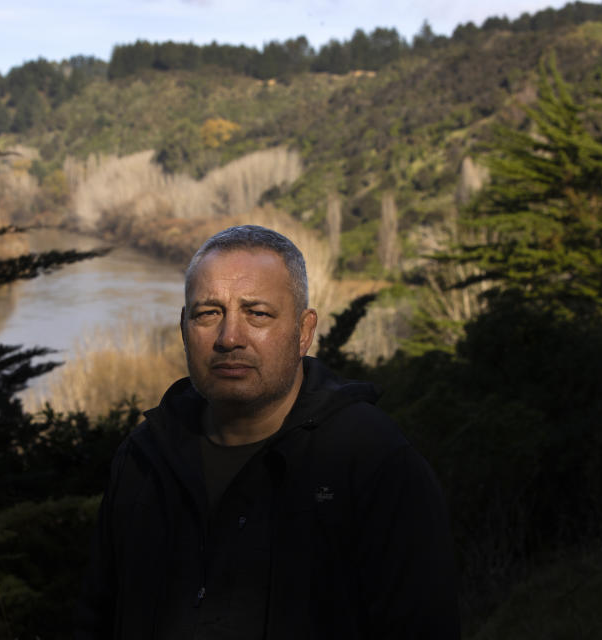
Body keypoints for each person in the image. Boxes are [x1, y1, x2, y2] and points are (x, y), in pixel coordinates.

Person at [75, 225, 459, 639]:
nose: (229, 338)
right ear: (184, 328)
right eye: (209, 314)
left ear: (304, 331)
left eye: (257, 313)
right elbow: (97, 617)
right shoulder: (144, 457)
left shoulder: (372, 461)